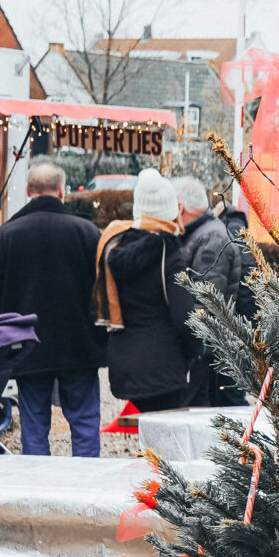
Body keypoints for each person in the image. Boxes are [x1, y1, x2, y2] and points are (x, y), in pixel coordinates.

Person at [0, 162, 105, 456]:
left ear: (27, 191)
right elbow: (103, 289)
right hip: (80, 344)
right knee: (85, 423)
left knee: (34, 426)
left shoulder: (4, 236)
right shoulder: (87, 232)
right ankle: (87, 490)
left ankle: (37, 486)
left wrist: (5, 339)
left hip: (27, 345)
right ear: (62, 191)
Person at [96, 169, 193, 414]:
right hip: (164, 364)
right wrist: (193, 355)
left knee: (148, 439)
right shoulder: (168, 251)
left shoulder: (113, 245)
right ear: (171, 210)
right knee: (170, 441)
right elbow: (185, 319)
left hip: (124, 362)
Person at [175, 174, 238, 404]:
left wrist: (193, 347)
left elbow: (206, 299)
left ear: (180, 207)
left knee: (197, 406)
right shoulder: (202, 233)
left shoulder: (210, 237)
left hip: (204, 349)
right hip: (202, 347)